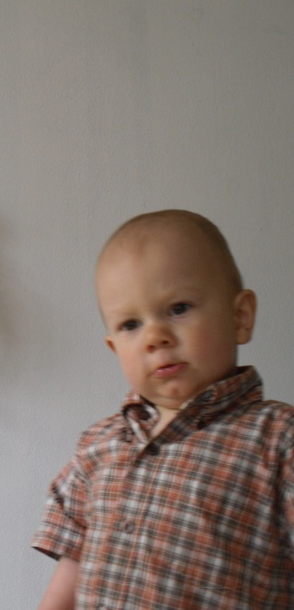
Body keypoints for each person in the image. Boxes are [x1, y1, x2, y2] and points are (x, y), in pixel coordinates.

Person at [32, 209, 294, 609]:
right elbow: (72, 566)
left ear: (240, 317)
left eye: (179, 308)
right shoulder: (98, 446)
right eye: (130, 325)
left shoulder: (279, 441)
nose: (154, 336)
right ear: (114, 347)